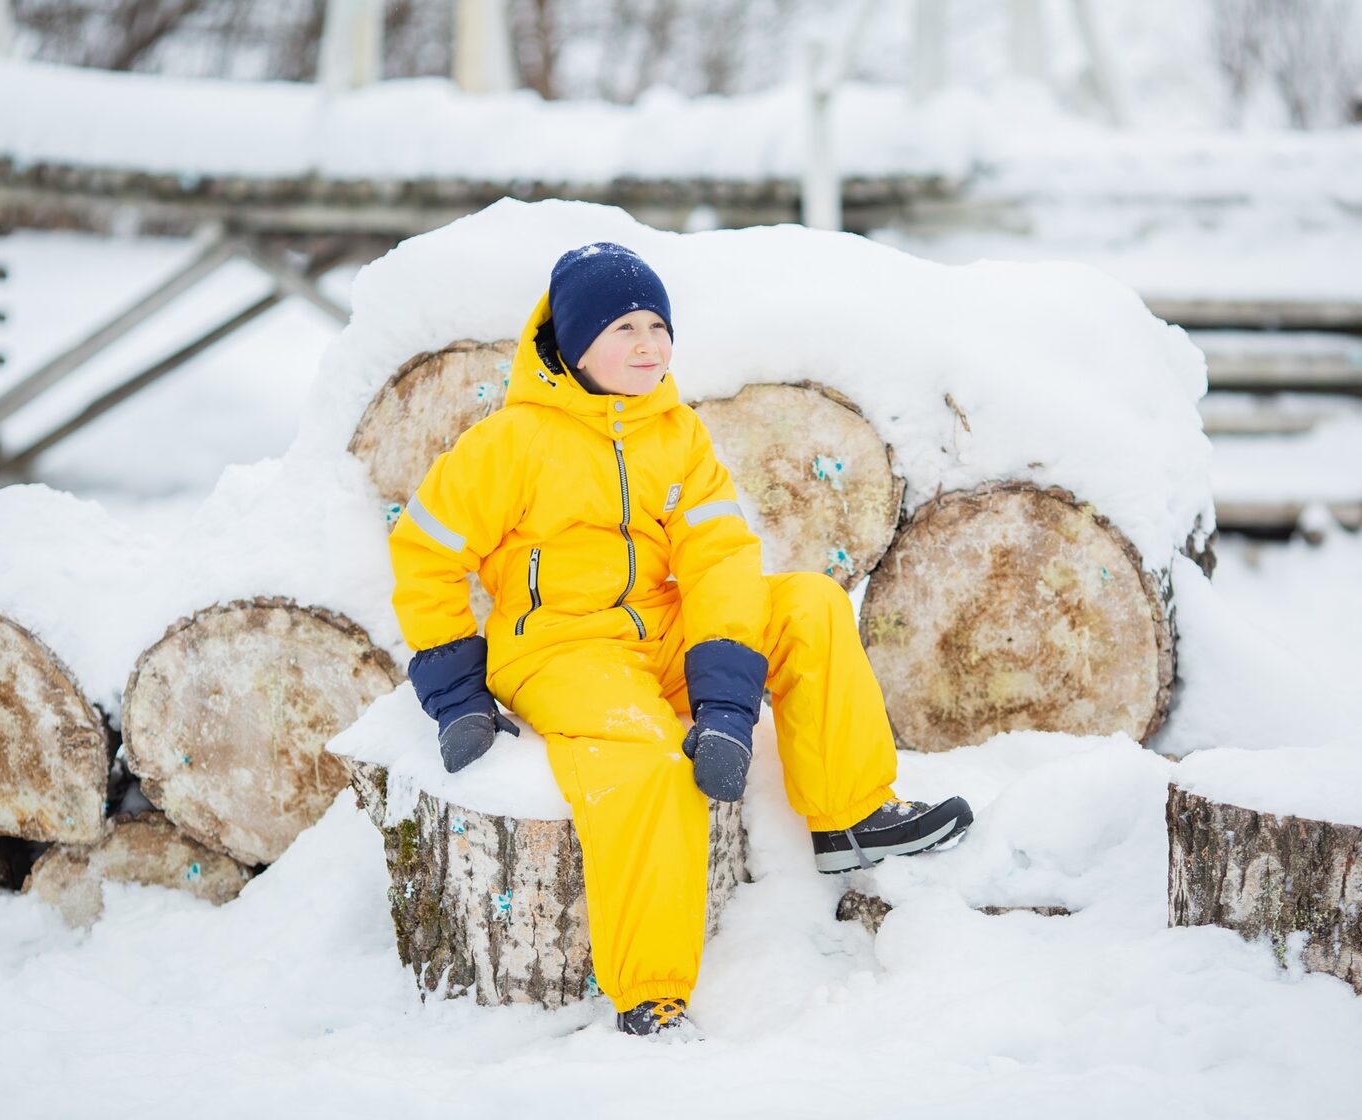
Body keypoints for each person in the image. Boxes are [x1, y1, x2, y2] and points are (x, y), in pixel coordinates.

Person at [388, 241, 973, 1037]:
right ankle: (650, 991)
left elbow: (720, 557)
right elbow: (425, 550)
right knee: (649, 763)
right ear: (573, 342)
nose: (647, 345)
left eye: (658, 326)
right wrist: (457, 691)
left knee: (808, 603)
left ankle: (849, 813)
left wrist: (725, 699)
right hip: (562, 651)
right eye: (624, 327)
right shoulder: (511, 443)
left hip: (662, 636)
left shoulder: (679, 436)